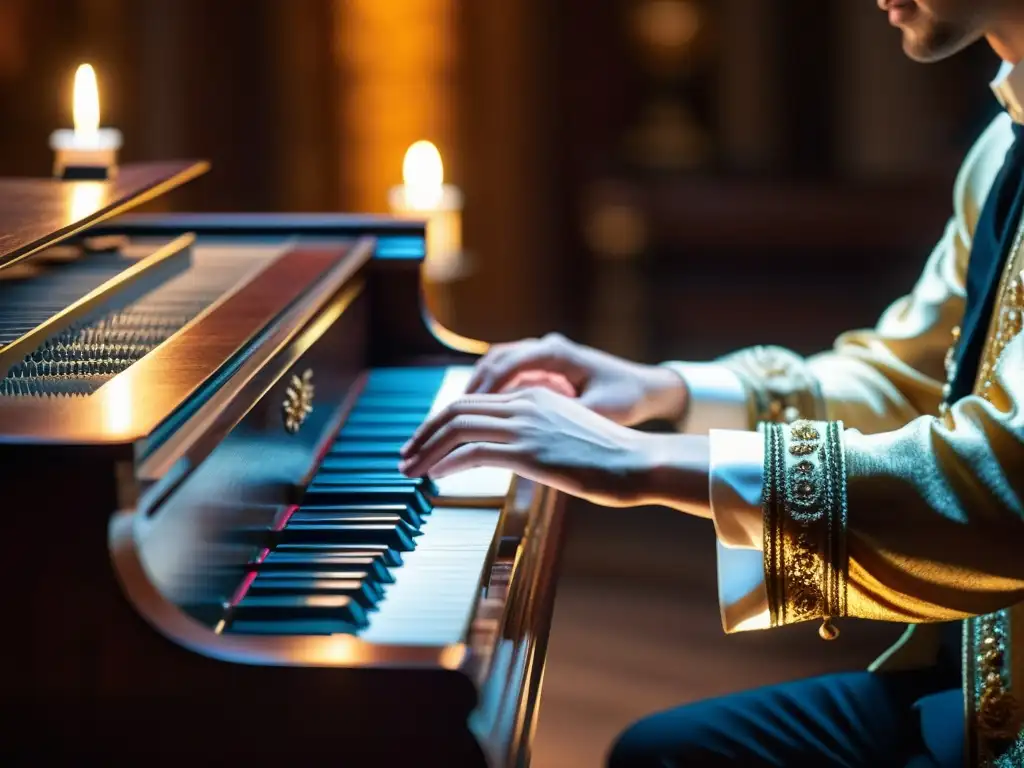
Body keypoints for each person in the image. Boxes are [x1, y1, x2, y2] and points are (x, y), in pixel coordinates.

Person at [399, 1, 1024, 765]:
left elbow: (1001, 488)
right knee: (664, 753)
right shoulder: (1004, 137)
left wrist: (637, 462)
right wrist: (666, 391)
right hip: (976, 677)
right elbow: (906, 376)